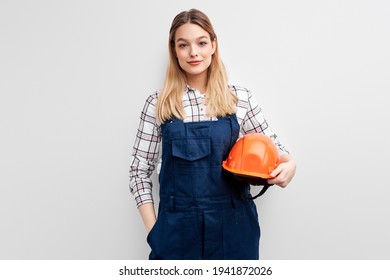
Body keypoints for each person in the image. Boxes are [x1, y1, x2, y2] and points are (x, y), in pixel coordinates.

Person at [129, 8, 296, 260]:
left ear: (213, 45)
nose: (193, 52)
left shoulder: (239, 99)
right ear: (174, 50)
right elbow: (138, 171)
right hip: (176, 235)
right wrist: (155, 232)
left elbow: (278, 153)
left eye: (201, 42)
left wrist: (289, 165)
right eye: (183, 44)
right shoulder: (158, 104)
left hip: (234, 232)